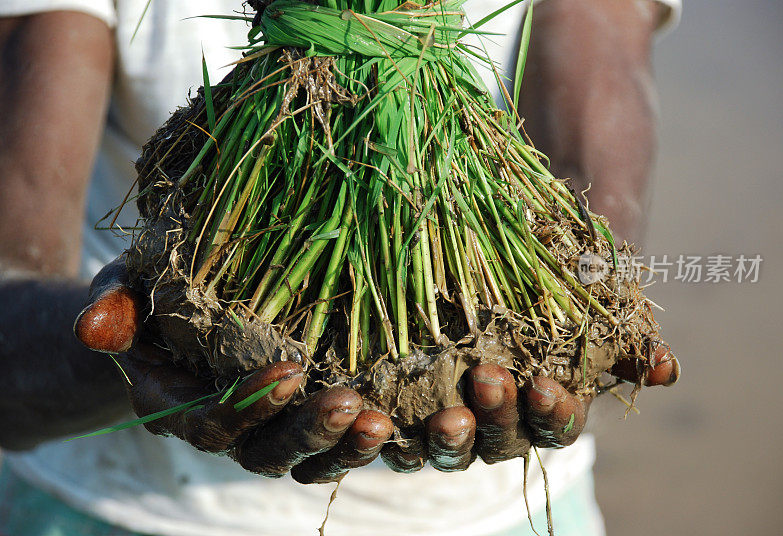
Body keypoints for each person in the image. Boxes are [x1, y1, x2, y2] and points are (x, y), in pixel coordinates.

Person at [0, 0, 680, 534]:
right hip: (116, 505)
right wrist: (142, 348)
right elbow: (12, 284)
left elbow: (590, 171)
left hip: (486, 520)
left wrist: (582, 320)